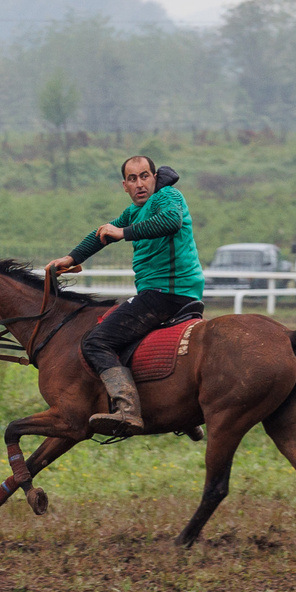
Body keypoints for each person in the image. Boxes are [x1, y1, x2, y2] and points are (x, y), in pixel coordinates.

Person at [48, 154, 203, 435]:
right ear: (125, 186)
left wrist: (123, 233)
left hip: (167, 293)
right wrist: (70, 258)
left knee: (96, 341)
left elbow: (171, 221)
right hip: (163, 293)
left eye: (144, 176)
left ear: (154, 177)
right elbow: (101, 235)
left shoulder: (168, 196)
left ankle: (127, 410)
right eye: (132, 179)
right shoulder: (133, 212)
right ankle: (182, 413)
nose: (139, 184)